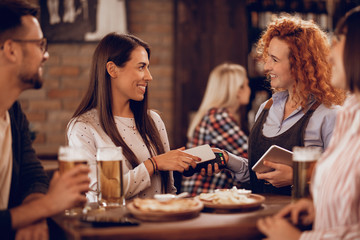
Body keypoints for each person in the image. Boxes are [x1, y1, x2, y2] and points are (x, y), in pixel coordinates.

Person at [257, 6, 360, 239]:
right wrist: (318, 210)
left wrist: (297, 238)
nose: (331, 55)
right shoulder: (350, 115)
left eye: (341, 41)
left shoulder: (332, 114)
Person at [219, 14, 346, 195]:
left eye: (275, 60)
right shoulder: (265, 109)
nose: (266, 67)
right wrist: (228, 160)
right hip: (260, 219)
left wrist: (299, 176)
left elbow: (344, 180)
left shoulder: (330, 116)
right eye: (267, 57)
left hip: (302, 220)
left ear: (300, 65)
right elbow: (258, 175)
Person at [67, 33, 202, 202]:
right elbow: (105, 192)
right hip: (115, 227)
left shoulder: (153, 120)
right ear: (112, 69)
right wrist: (154, 164)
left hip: (158, 223)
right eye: (141, 67)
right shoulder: (83, 127)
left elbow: (169, 190)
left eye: (148, 67)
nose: (149, 76)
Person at [0, 0, 90, 239]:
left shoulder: (12, 112)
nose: (46, 55)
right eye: (40, 44)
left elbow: (33, 175)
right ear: (11, 50)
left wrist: (33, 217)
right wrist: (47, 206)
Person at [181, 63, 250, 196]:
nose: (249, 89)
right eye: (246, 85)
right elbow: (254, 158)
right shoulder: (218, 118)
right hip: (206, 197)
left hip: (203, 196)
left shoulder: (213, 115)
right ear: (237, 90)